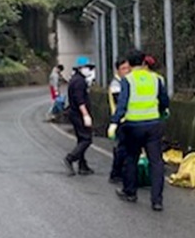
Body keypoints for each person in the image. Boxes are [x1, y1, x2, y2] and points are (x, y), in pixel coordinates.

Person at [109, 49, 169, 211]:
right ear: (143, 62)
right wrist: (162, 112)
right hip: (153, 125)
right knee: (156, 162)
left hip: (133, 126)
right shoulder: (156, 79)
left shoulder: (127, 80)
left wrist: (114, 122)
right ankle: (157, 201)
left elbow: (122, 104)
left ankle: (130, 192)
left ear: (129, 63)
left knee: (131, 158)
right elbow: (164, 101)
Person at [62, 57, 96, 176]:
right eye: (88, 67)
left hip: (75, 113)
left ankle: (83, 165)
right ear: (80, 68)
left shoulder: (76, 79)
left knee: (81, 139)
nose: (89, 70)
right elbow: (80, 100)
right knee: (87, 139)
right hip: (79, 114)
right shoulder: (79, 82)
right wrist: (86, 115)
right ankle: (70, 158)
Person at [107, 57, 132, 184]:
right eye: (123, 68)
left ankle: (120, 173)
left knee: (125, 149)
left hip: (128, 120)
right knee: (122, 149)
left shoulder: (126, 82)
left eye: (128, 68)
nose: (126, 71)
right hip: (120, 121)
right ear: (117, 70)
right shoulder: (116, 84)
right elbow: (121, 102)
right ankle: (116, 173)